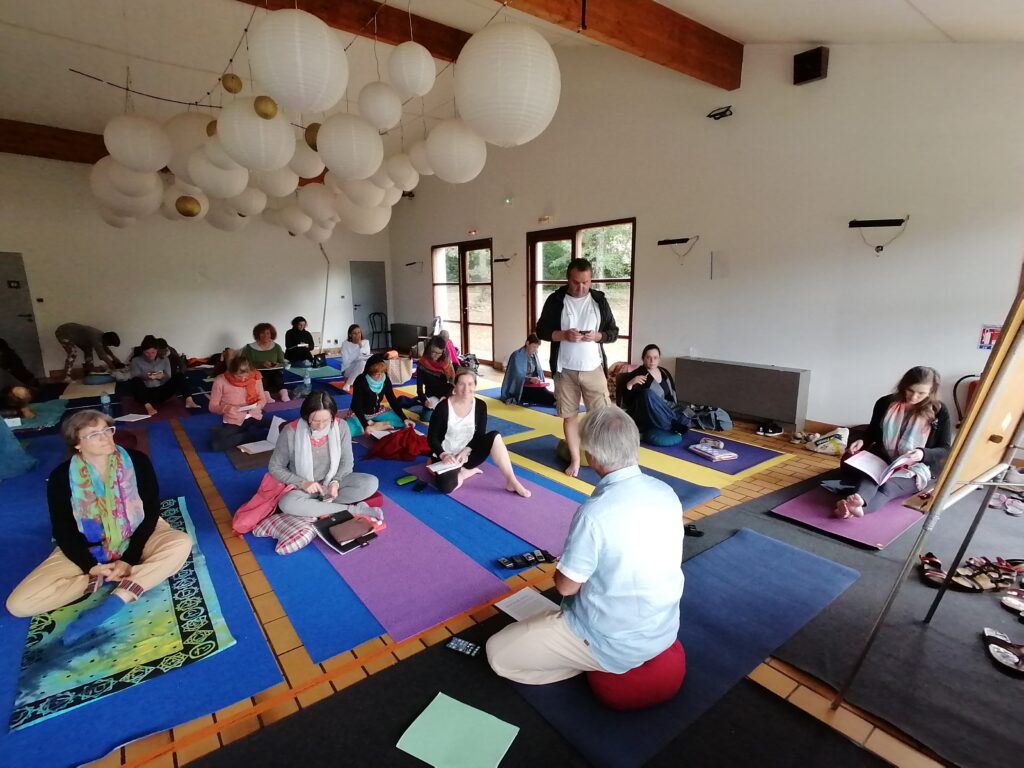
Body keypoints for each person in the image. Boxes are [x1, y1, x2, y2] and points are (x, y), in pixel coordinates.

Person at [486, 406, 684, 683]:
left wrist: (565, 562)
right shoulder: (666, 492)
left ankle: (589, 660)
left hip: (611, 641)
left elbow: (566, 586)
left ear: (592, 456)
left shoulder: (595, 513)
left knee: (498, 653)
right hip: (663, 628)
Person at [5, 410, 192, 645]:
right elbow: (64, 531)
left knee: (181, 543)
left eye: (107, 430)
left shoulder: (137, 461)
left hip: (137, 532)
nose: (106, 438)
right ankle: (108, 578)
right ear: (77, 444)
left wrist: (129, 557)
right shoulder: (61, 478)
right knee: (19, 605)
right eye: (94, 434)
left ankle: (117, 600)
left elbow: (151, 511)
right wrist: (91, 567)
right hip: (89, 544)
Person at [536, 258, 619, 477]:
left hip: (594, 368)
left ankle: (602, 456)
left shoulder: (599, 300)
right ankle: (574, 460)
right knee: (569, 416)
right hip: (565, 370)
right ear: (568, 279)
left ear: (591, 280)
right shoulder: (556, 300)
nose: (580, 287)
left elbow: (613, 332)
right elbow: (542, 331)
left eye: (585, 282)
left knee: (600, 416)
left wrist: (597, 336)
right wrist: (563, 335)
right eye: (575, 282)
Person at [834, 366, 952, 519]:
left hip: (917, 466)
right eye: (910, 390)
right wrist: (862, 440)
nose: (914, 397)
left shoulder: (939, 411)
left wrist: (922, 453)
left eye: (921, 393)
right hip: (884, 458)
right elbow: (873, 432)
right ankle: (858, 502)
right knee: (872, 476)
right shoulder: (885, 403)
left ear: (931, 391)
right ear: (903, 386)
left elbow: (945, 448)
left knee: (887, 486)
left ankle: (852, 509)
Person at [269, 391, 379, 516]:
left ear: (332, 416)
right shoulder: (290, 431)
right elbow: (275, 467)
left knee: (370, 483)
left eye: (326, 420)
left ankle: (317, 507)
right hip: (304, 487)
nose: (321, 426)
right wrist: (302, 483)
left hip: (332, 483)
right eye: (315, 421)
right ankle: (352, 510)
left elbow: (347, 461)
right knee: (287, 504)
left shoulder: (341, 426)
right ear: (307, 416)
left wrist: (335, 482)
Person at [426, 368, 531, 496]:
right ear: (455, 385)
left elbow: (479, 434)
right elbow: (432, 438)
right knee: (446, 487)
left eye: (470, 384)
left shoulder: (480, 406)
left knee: (495, 436)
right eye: (461, 384)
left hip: (467, 455)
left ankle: (512, 481)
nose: (466, 388)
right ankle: (465, 472)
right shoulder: (443, 407)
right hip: (446, 458)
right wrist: (443, 455)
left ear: (475, 385)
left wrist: (465, 452)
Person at [621, 344, 690, 435]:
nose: (652, 361)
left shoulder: (665, 372)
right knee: (647, 394)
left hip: (665, 408)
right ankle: (671, 424)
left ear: (659, 359)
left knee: (686, 415)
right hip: (646, 412)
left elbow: (671, 397)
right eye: (648, 357)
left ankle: (670, 421)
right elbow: (627, 401)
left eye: (655, 357)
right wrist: (630, 384)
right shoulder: (637, 374)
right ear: (643, 359)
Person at [208, 355, 273, 451]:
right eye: (238, 376)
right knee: (216, 445)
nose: (243, 379)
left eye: (246, 376)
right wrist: (226, 408)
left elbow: (262, 399)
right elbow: (212, 407)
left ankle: (248, 433)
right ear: (231, 372)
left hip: (254, 415)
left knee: (280, 427)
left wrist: (259, 406)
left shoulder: (255, 376)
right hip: (233, 419)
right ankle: (247, 436)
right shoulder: (220, 380)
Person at [128, 335, 200, 415]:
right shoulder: (136, 361)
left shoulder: (164, 359)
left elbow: (168, 376)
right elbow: (135, 376)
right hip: (145, 393)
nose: (150, 355)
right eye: (147, 353)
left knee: (180, 376)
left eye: (153, 352)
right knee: (135, 381)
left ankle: (189, 401)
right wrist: (146, 377)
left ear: (157, 350)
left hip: (161, 391)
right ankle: (148, 407)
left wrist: (161, 376)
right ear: (143, 351)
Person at [348, 354, 416, 436]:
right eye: (376, 374)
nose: (380, 376)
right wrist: (365, 425)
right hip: (360, 413)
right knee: (349, 430)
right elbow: (356, 406)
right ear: (369, 372)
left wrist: (404, 418)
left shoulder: (385, 379)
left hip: (377, 412)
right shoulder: (361, 380)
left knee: (402, 422)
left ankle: (374, 424)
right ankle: (373, 425)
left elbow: (392, 400)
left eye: (382, 373)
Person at [500, 333, 555, 407]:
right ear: (527, 343)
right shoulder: (516, 355)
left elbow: (537, 371)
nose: (535, 350)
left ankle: (557, 400)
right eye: (534, 347)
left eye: (537, 347)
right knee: (540, 394)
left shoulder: (533, 355)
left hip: (531, 385)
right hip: (520, 388)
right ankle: (557, 401)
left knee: (543, 391)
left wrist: (537, 380)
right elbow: (515, 377)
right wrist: (530, 379)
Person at [55, 323, 124, 381]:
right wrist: (114, 369)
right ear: (106, 340)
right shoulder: (96, 338)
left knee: (88, 350)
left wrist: (114, 357)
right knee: (72, 353)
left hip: (77, 336)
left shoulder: (103, 336)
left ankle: (90, 371)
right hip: (63, 332)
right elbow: (102, 356)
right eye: (110, 344)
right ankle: (66, 377)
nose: (109, 345)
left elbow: (105, 348)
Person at [240, 322, 289, 402]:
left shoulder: (276, 347)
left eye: (268, 333)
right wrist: (261, 363)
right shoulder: (249, 348)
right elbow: (245, 364)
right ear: (257, 334)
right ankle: (266, 396)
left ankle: (284, 394)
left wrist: (276, 364)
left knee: (278, 377)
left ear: (271, 334)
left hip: (274, 371)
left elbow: (283, 363)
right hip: (256, 372)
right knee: (263, 378)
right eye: (262, 333)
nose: (265, 335)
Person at [416, 336, 455, 409]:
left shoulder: (446, 362)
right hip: (431, 396)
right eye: (434, 352)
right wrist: (424, 400)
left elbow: (453, 383)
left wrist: (446, 396)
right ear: (429, 349)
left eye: (439, 353)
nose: (436, 356)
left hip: (446, 394)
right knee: (427, 417)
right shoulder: (422, 364)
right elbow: (419, 389)